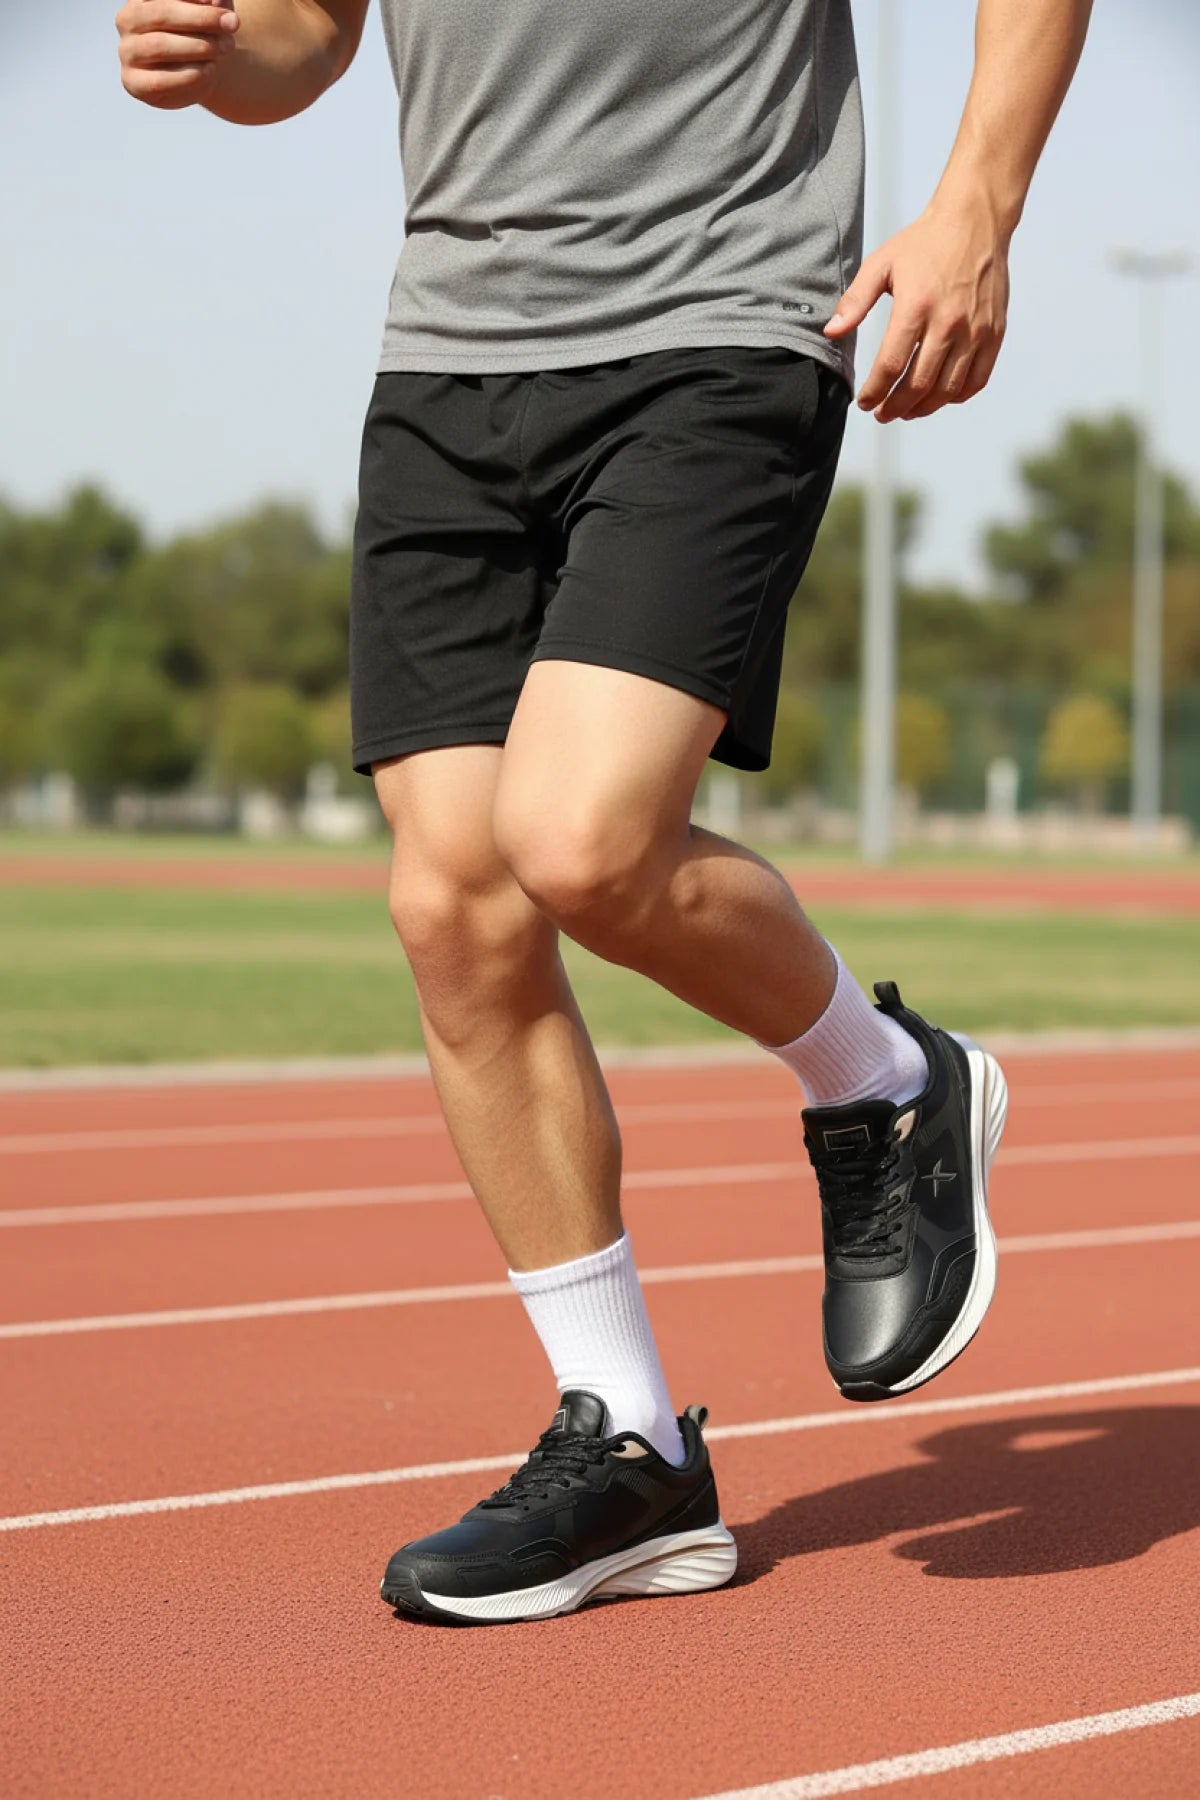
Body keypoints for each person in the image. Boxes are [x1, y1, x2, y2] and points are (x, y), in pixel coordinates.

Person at [116, 0, 1093, 1624]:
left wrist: (976, 201)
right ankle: (631, 1451)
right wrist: (223, 62)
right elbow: (307, 37)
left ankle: (884, 1080)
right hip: (448, 358)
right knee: (452, 907)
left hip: (718, 315)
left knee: (579, 841)